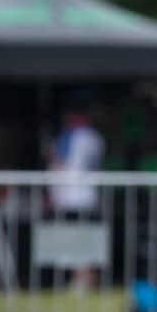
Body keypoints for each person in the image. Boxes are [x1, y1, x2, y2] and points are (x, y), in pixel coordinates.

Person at [47, 95, 105, 288]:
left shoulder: (70, 136)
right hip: (87, 195)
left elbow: (59, 163)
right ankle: (87, 277)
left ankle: (82, 278)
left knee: (75, 238)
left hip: (70, 196)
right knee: (85, 237)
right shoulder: (95, 138)